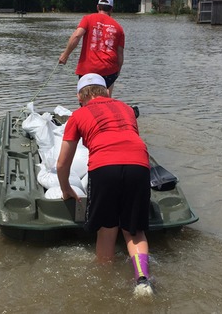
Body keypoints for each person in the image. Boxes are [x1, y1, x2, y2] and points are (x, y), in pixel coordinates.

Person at [56, 73, 153, 297]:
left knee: (107, 230)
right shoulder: (127, 109)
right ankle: (143, 280)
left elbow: (62, 163)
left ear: (80, 97)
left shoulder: (79, 115)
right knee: (134, 230)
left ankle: (104, 285)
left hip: (104, 167)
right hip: (139, 165)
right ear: (106, 91)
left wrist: (65, 189)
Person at [58, 0, 124, 97]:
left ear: (98, 7)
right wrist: (117, 72)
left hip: (88, 70)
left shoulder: (88, 19)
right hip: (109, 71)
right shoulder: (119, 28)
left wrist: (65, 55)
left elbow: (77, 35)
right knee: (105, 100)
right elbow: (120, 54)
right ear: (111, 9)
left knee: (86, 101)